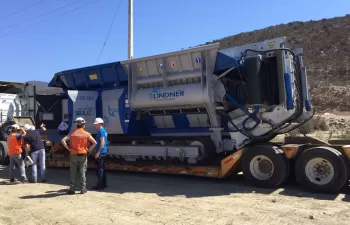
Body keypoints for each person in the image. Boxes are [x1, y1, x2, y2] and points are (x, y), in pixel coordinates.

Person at [61, 117, 97, 195]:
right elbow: (95, 143)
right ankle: (83, 189)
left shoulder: (72, 133)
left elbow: (63, 140)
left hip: (73, 154)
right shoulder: (87, 134)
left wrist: (68, 149)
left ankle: (72, 189)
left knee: (73, 172)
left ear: (77, 124)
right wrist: (88, 150)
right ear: (83, 124)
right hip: (83, 154)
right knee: (82, 172)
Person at [92, 118, 108, 191]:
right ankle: (103, 185)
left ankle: (100, 186)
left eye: (96, 124)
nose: (95, 126)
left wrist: (98, 152)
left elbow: (102, 142)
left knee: (100, 170)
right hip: (103, 152)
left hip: (101, 153)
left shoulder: (101, 131)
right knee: (102, 170)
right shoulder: (103, 131)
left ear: (99, 124)